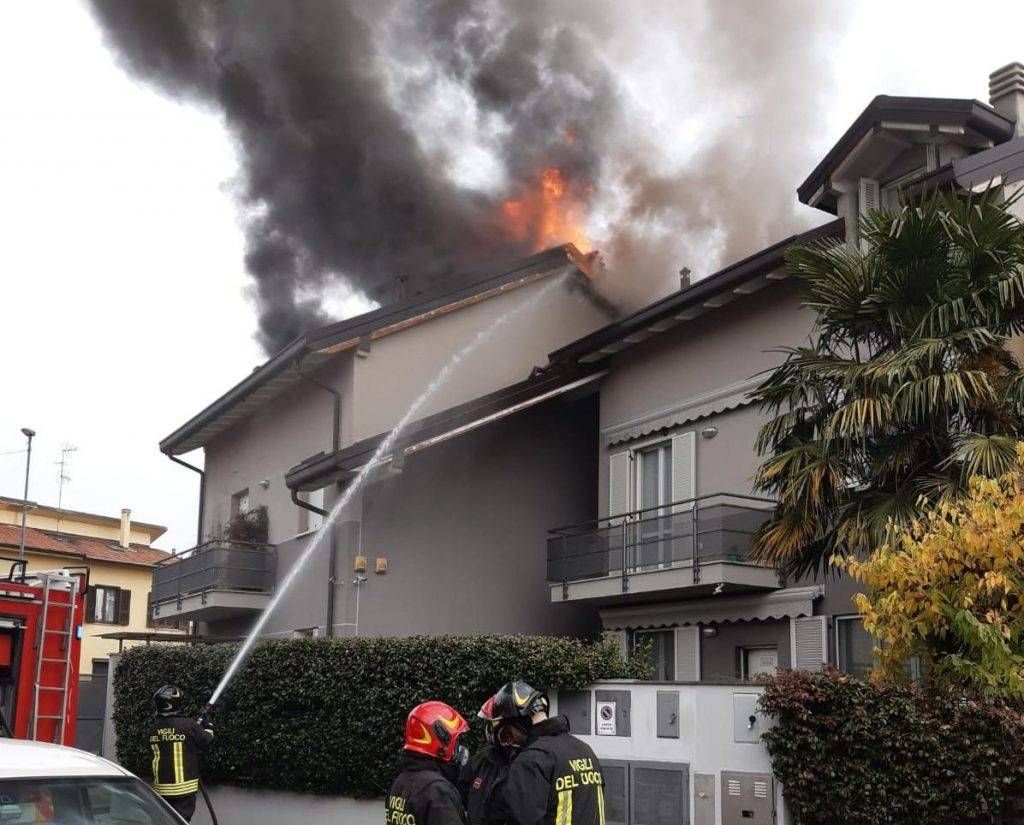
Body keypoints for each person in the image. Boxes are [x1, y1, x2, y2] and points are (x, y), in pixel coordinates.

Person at [491, 681, 606, 825]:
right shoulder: (586, 751)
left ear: (520, 721)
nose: (511, 739)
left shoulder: (529, 761)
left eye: (509, 731)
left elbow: (522, 820)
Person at [387, 700, 470, 825]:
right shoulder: (438, 791)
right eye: (456, 741)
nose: (458, 748)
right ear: (441, 739)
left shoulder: (399, 783)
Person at [148, 684, 214, 822]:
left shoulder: (153, 729)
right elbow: (206, 740)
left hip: (161, 791)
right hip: (184, 792)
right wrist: (208, 725)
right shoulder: (188, 725)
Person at [459, 695, 512, 825]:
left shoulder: (525, 763)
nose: (489, 729)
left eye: (493, 724)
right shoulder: (479, 761)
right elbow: (460, 798)